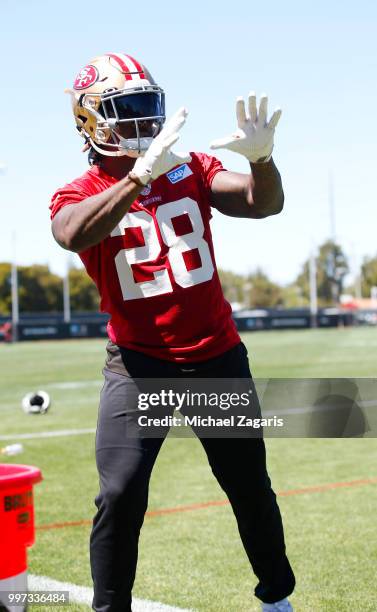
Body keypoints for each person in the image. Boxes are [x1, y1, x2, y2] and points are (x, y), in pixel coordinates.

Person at [50, 52, 295, 612]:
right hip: (139, 366)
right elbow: (73, 234)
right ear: (91, 120)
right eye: (125, 108)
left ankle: (277, 599)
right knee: (119, 494)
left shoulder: (190, 168)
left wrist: (262, 162)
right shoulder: (79, 190)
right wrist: (137, 178)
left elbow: (264, 204)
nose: (140, 120)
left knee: (249, 488)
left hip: (215, 357)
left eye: (145, 106)